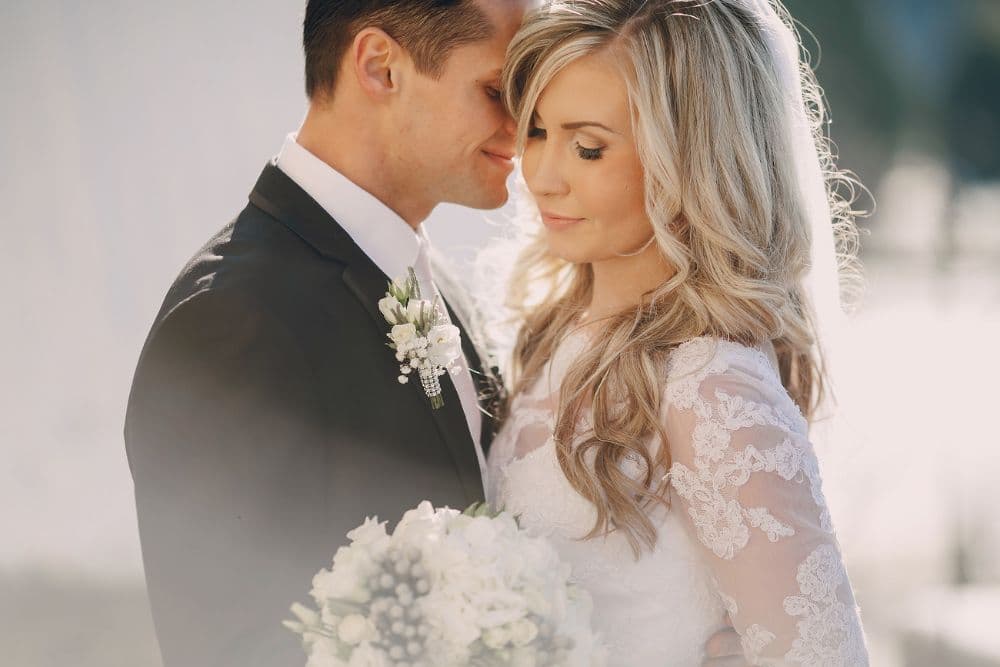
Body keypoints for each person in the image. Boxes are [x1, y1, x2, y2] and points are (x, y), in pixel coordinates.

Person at [124, 1, 525, 665]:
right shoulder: (232, 319)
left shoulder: (439, 283)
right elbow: (230, 648)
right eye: (496, 89)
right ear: (380, 66)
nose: (523, 122)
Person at [486, 0, 870, 665]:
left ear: (688, 160)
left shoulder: (712, 390)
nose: (540, 176)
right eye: (537, 131)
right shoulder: (554, 336)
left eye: (588, 147)